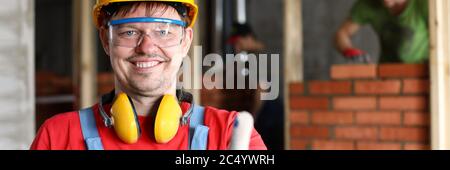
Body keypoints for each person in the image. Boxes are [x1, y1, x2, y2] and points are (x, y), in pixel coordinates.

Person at [30, 0, 266, 150]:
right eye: (130, 32)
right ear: (105, 40)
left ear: (185, 41)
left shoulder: (230, 135)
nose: (146, 47)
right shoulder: (59, 137)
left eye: (163, 31)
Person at [335, 0, 429, 63]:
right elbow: (342, 34)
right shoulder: (368, 3)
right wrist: (348, 50)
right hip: (387, 74)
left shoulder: (424, 3)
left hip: (424, 73)